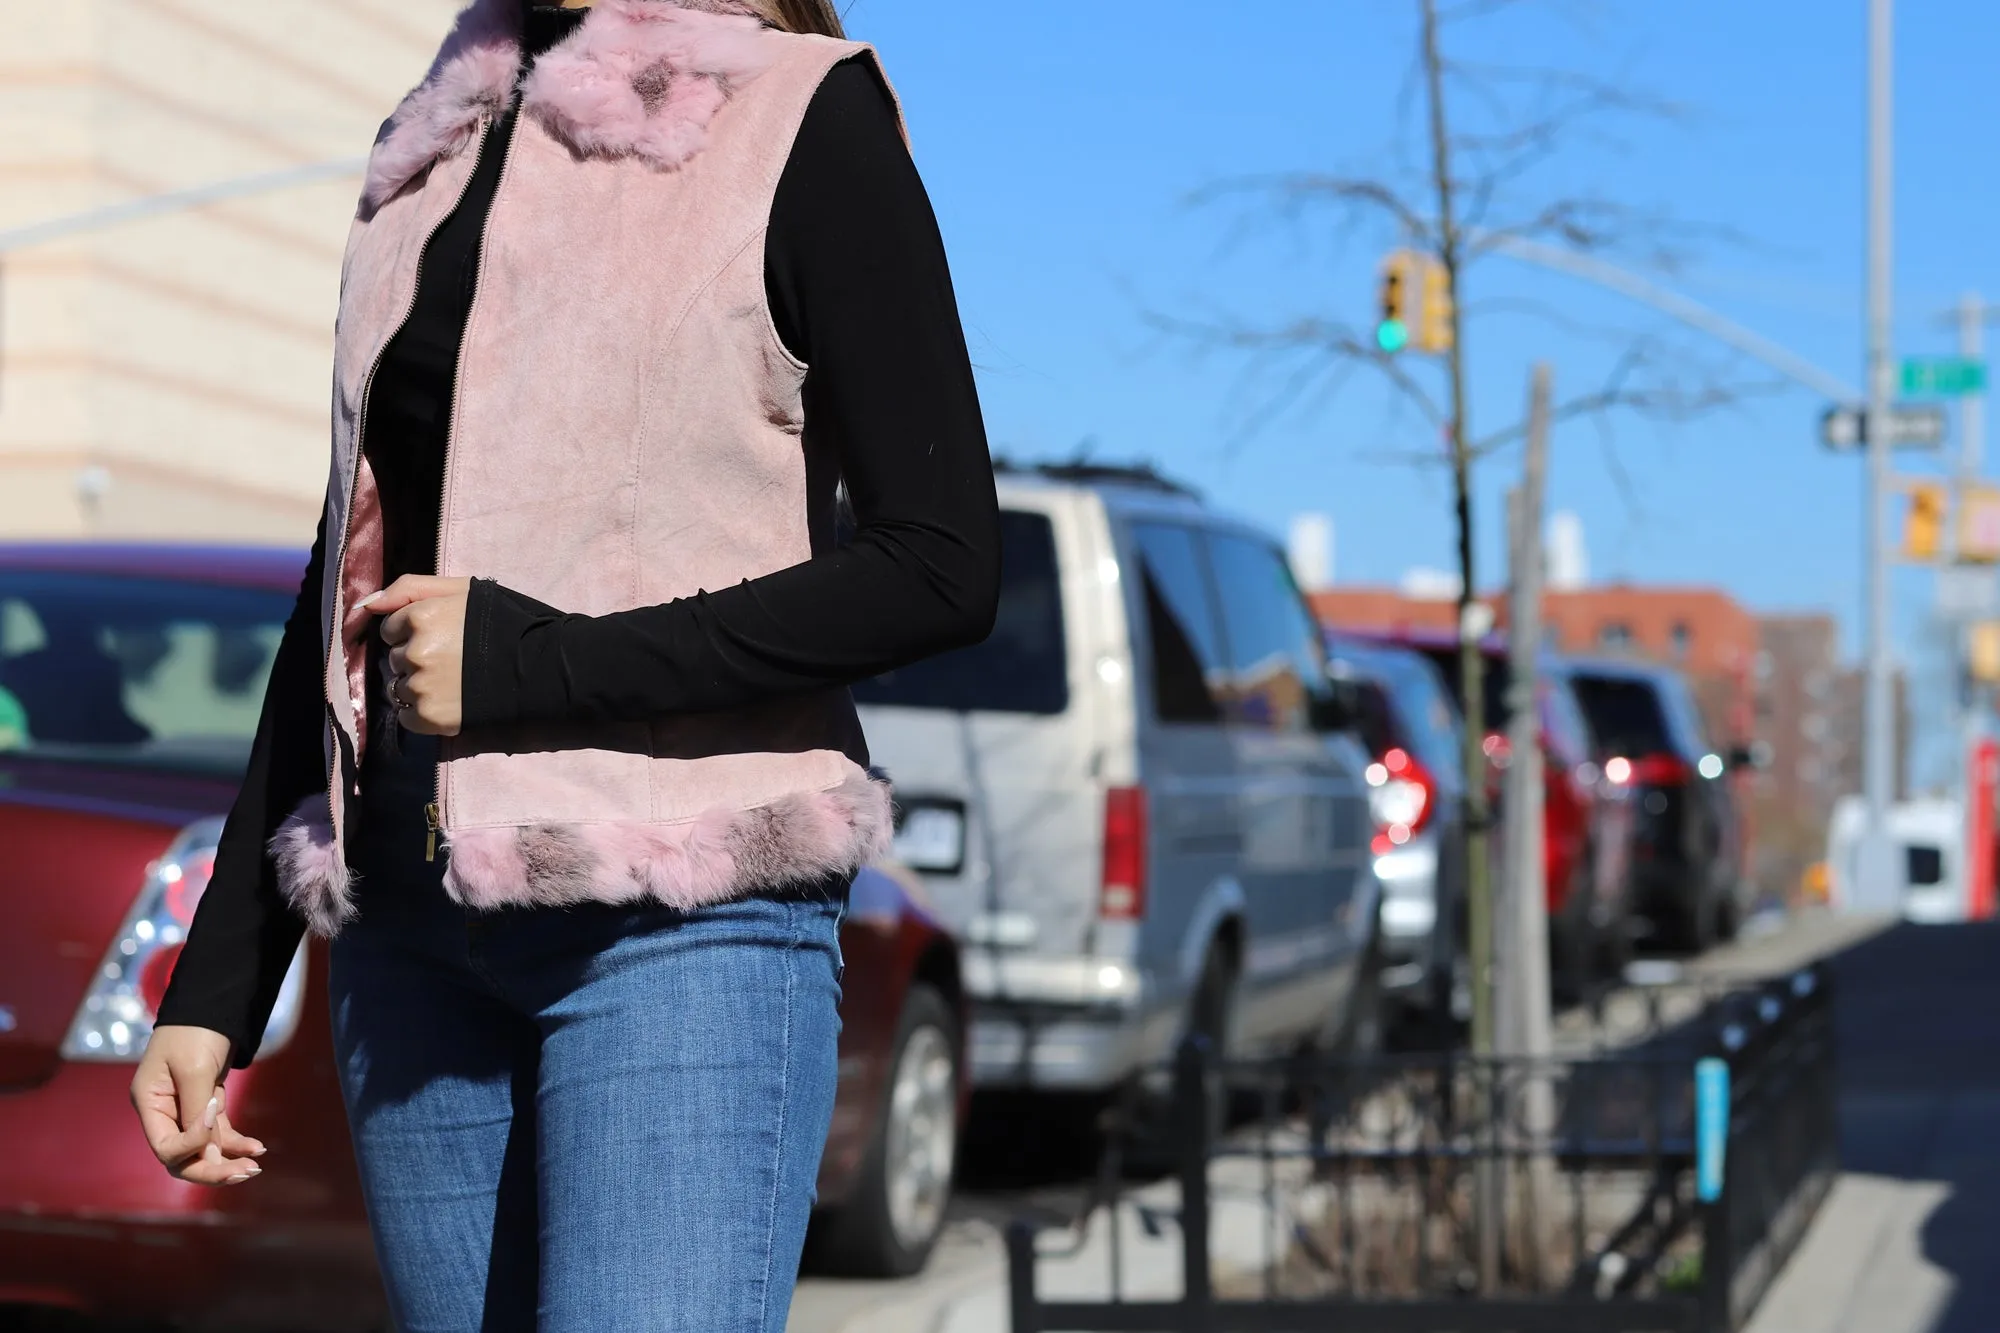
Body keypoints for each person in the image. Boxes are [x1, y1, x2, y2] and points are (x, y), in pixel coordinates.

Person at [128, 0, 998, 1327]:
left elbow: (941, 563)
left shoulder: (795, 116)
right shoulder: (431, 142)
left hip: (680, 929)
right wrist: (224, 980)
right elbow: (347, 566)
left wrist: (540, 666)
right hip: (408, 944)